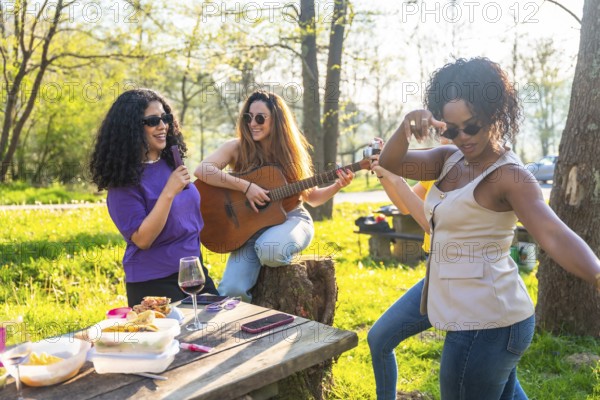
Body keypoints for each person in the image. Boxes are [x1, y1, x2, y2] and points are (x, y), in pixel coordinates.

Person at [369, 57, 600, 399]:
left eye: (471, 126)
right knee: (380, 338)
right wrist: (405, 127)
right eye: (451, 128)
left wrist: (597, 274)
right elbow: (389, 164)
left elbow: (552, 233)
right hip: (451, 292)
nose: (462, 137)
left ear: (495, 114)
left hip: (488, 322)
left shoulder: (510, 177)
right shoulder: (449, 158)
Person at [194, 90, 354, 302]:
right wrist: (246, 187)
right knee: (232, 291)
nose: (253, 123)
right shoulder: (236, 147)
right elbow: (203, 170)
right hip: (249, 229)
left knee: (270, 251)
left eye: (260, 118)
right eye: (248, 117)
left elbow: (312, 198)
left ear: (277, 120)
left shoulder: (291, 153)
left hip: (291, 219)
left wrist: (337, 186)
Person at [89, 88, 218, 307]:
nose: (163, 126)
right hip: (155, 281)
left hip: (194, 272)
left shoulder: (172, 163)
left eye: (165, 118)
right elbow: (142, 239)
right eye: (152, 121)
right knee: (177, 340)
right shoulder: (123, 183)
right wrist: (168, 192)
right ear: (131, 129)